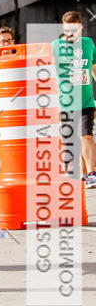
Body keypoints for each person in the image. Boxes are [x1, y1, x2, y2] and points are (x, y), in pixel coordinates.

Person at [51, 11, 96, 188]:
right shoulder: (55, 46)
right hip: (65, 102)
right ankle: (80, 174)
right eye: (68, 30)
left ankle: (92, 173)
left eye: (75, 29)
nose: (71, 33)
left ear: (81, 27)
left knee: (86, 135)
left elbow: (93, 68)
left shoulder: (88, 44)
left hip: (86, 100)